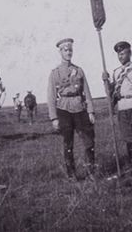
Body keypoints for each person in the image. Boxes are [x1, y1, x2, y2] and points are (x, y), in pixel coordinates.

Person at [47, 38, 95, 180]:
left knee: (89, 141)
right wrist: (54, 118)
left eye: (70, 50)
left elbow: (86, 91)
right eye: (65, 50)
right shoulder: (54, 73)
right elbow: (51, 96)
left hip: (80, 107)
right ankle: (71, 174)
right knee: (68, 143)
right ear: (60, 52)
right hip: (63, 109)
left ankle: (91, 171)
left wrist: (91, 110)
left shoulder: (79, 71)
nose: (69, 52)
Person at [102, 41, 132, 174]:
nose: (121, 56)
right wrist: (105, 81)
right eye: (119, 54)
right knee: (128, 137)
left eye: (123, 53)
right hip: (122, 108)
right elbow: (110, 93)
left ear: (129, 53)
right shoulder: (116, 72)